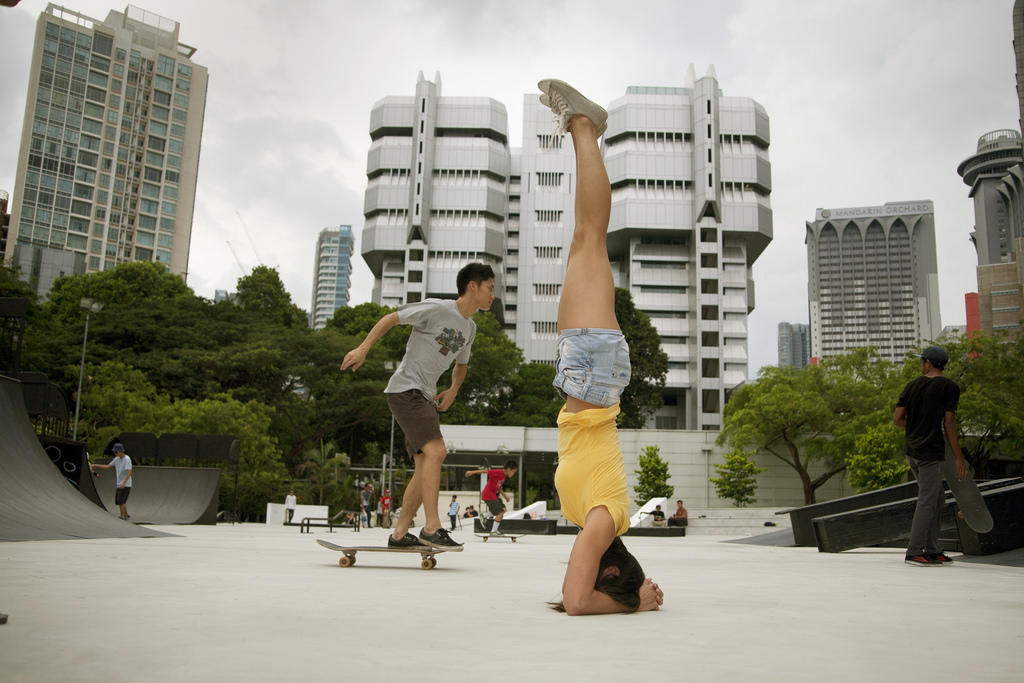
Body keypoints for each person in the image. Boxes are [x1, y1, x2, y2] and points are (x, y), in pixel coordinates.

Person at [537, 78, 662, 615]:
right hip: (595, 370)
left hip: (583, 373)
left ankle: (581, 130)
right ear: (610, 570)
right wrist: (638, 603)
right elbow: (575, 603)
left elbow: (575, 596)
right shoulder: (606, 519)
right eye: (593, 571)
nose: (580, 564)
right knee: (591, 233)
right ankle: (585, 127)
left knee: (581, 240)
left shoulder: (589, 517)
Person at [341, 261, 495, 549]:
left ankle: (399, 533)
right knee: (437, 451)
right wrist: (363, 348)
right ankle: (432, 527)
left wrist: (454, 389)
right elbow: (391, 318)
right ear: (472, 287)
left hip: (423, 395)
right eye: (490, 288)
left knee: (425, 463)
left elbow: (462, 364)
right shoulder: (438, 309)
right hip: (406, 388)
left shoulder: (470, 328)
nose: (493, 295)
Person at [893, 345, 968, 566]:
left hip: (912, 451)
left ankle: (933, 549)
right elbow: (949, 424)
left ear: (929, 363)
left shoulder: (911, 386)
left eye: (922, 361)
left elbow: (898, 419)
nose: (920, 365)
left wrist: (916, 426)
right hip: (930, 452)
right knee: (928, 500)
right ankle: (914, 551)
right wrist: (958, 457)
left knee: (937, 498)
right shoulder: (949, 387)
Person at [464, 460, 517, 532]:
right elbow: (485, 471)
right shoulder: (498, 472)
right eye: (513, 472)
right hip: (488, 494)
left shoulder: (504, 476)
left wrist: (505, 496)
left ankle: (484, 516)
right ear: (508, 469)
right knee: (500, 513)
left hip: (493, 495)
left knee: (503, 510)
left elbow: (499, 488)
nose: (513, 474)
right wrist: (472, 472)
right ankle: (493, 531)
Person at [90, 442, 132, 520]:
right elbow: (108, 466)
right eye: (114, 452)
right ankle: (126, 514)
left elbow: (129, 471)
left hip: (126, 484)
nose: (115, 454)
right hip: (119, 483)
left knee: (121, 500)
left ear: (120, 451)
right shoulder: (116, 459)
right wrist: (96, 465)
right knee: (120, 500)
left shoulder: (127, 459)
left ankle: (122, 516)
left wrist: (124, 482)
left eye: (116, 452)